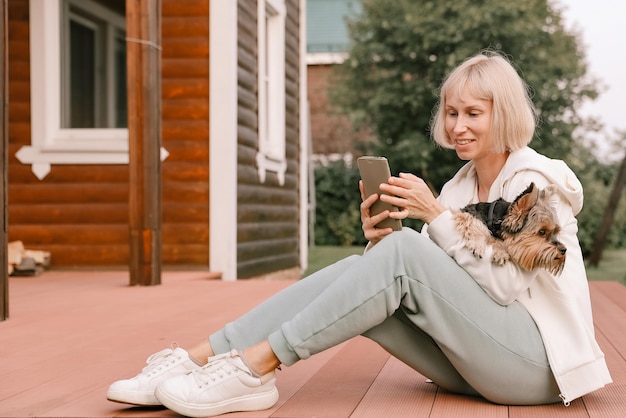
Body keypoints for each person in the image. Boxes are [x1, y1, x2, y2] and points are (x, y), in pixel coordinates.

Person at [107, 51, 612, 417]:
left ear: (502, 115)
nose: (458, 126)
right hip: (476, 362)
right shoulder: (458, 189)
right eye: (452, 113)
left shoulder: (537, 182)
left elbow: (501, 289)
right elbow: (440, 288)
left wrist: (430, 220)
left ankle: (255, 368)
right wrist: (380, 241)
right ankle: (199, 358)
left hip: (538, 369)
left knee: (405, 248)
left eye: (473, 114)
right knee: (367, 266)